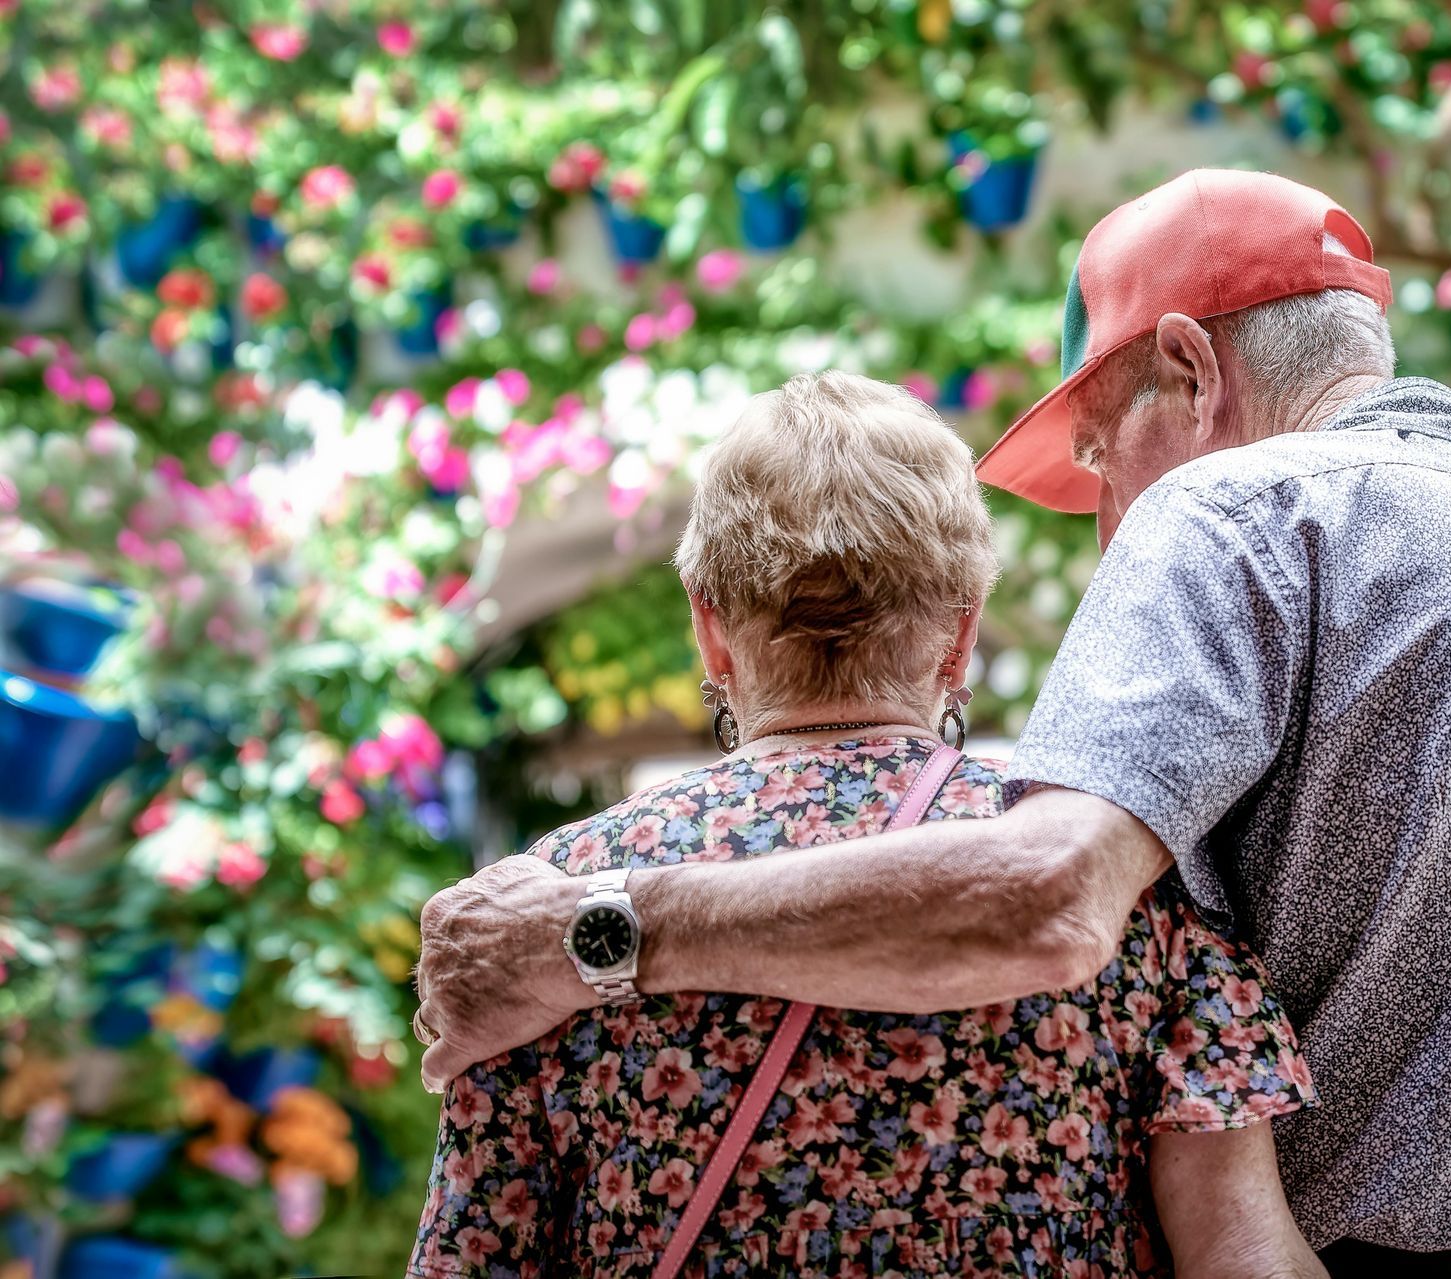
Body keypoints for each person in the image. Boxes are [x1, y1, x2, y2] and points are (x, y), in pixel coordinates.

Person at [415, 171, 1451, 1278]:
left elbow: (1044, 896)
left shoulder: (1238, 509)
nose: (1107, 515)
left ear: (1187, 368)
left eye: (1097, 452)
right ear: (955, 628)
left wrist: (598, 932)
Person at [409, 371, 1326, 1278]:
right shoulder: (1122, 873)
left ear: (711, 630)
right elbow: (1242, 1253)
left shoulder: (545, 913)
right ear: (961, 635)